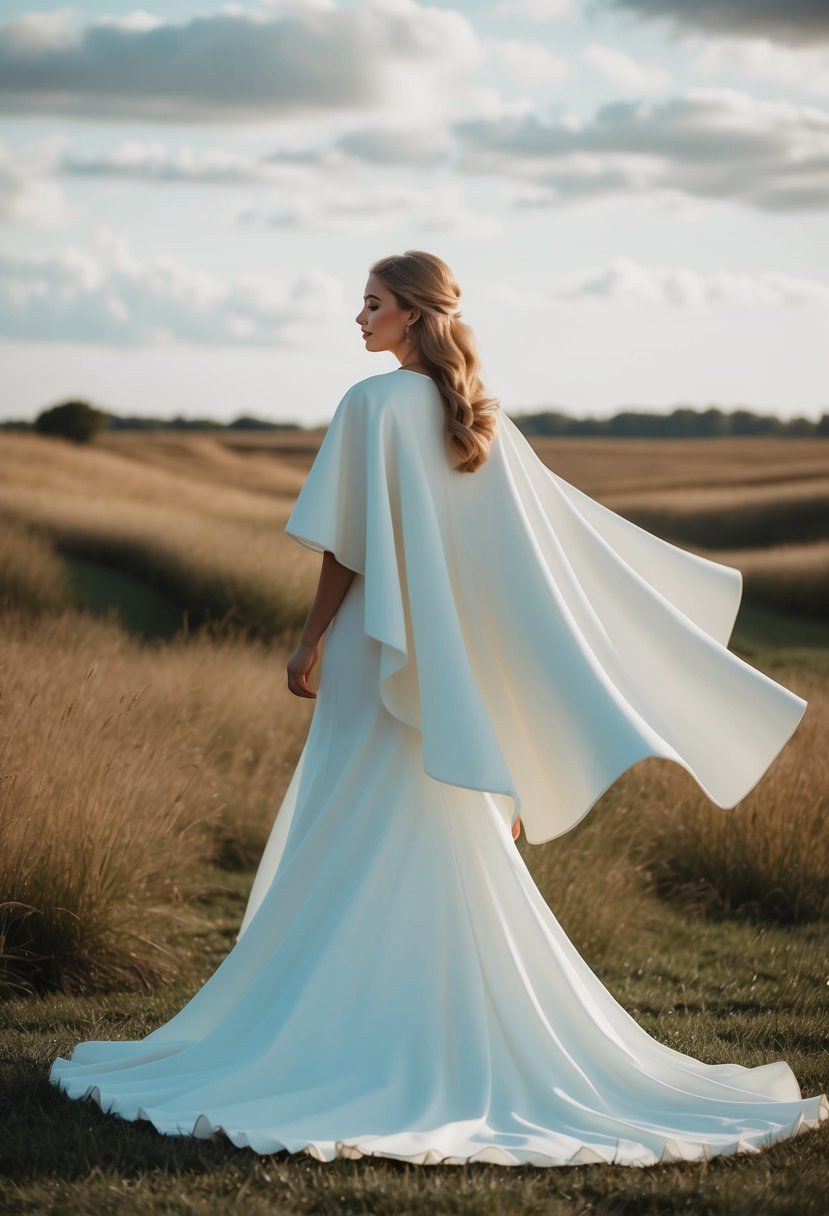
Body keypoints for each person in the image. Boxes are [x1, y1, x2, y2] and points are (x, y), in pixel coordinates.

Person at [50, 250, 827, 1167]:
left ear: (414, 314)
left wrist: (308, 642)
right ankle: (426, 1023)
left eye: (370, 303)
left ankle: (342, 1026)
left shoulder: (368, 405)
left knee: (349, 825)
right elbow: (518, 569)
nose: (357, 317)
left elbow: (343, 547)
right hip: (441, 668)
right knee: (423, 826)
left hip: (372, 658)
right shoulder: (484, 424)